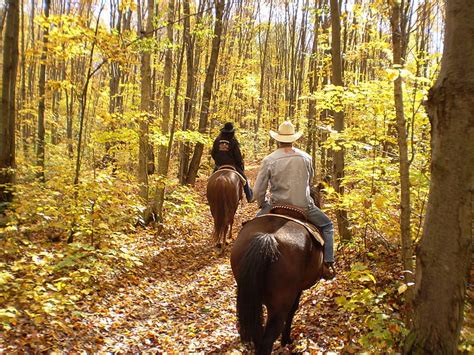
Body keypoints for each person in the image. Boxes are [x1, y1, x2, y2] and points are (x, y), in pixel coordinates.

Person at [253, 121, 335, 279]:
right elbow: (309, 182)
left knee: (251, 227)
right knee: (327, 226)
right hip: (303, 206)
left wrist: (263, 204)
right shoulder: (306, 158)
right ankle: (328, 264)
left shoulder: (269, 159)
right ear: (293, 139)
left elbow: (258, 190)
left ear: (278, 139)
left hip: (276, 204)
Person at [211, 122, 253, 202]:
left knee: (210, 180)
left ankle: (209, 198)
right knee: (244, 180)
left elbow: (213, 153)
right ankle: (249, 196)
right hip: (232, 165)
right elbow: (238, 156)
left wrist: (218, 161)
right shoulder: (233, 141)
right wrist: (240, 163)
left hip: (219, 166)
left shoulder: (217, 140)